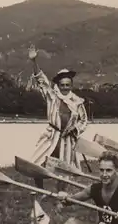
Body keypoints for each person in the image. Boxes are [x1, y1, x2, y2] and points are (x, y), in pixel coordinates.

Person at [27, 45, 89, 191]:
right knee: (37, 163)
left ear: (71, 85)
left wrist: (75, 129)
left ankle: (60, 196)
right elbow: (40, 80)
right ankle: (40, 191)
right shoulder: (52, 96)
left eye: (68, 85)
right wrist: (34, 61)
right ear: (58, 85)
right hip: (51, 135)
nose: (65, 88)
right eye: (62, 85)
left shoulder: (78, 101)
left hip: (67, 139)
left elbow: (84, 120)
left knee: (65, 169)